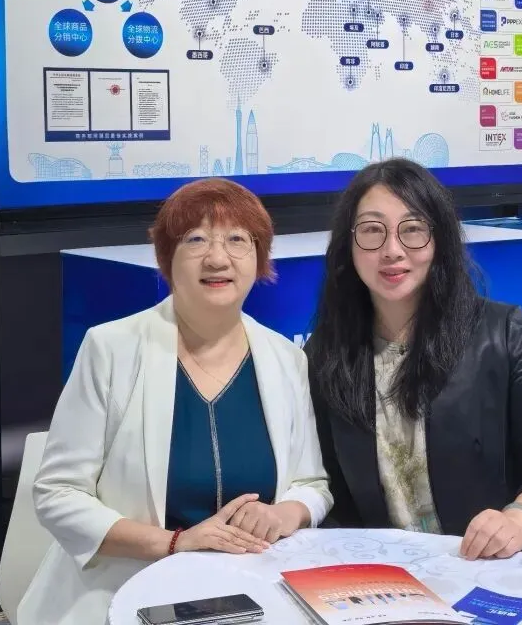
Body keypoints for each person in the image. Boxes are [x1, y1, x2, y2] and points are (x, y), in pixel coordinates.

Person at [19, 178, 332, 625]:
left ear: (259, 258)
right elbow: (58, 492)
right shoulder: (111, 348)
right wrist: (173, 542)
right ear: (167, 258)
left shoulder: (285, 358)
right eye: (196, 239)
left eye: (237, 240)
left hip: (251, 591)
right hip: (127, 589)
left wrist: (284, 513)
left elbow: (312, 484)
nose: (218, 258)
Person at [305, 159, 522, 568]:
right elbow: (328, 486)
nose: (392, 250)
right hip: (391, 573)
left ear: (439, 240)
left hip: (498, 562)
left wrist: (519, 519)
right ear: (349, 244)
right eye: (372, 230)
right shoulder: (327, 353)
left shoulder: (504, 333)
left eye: (413, 229)